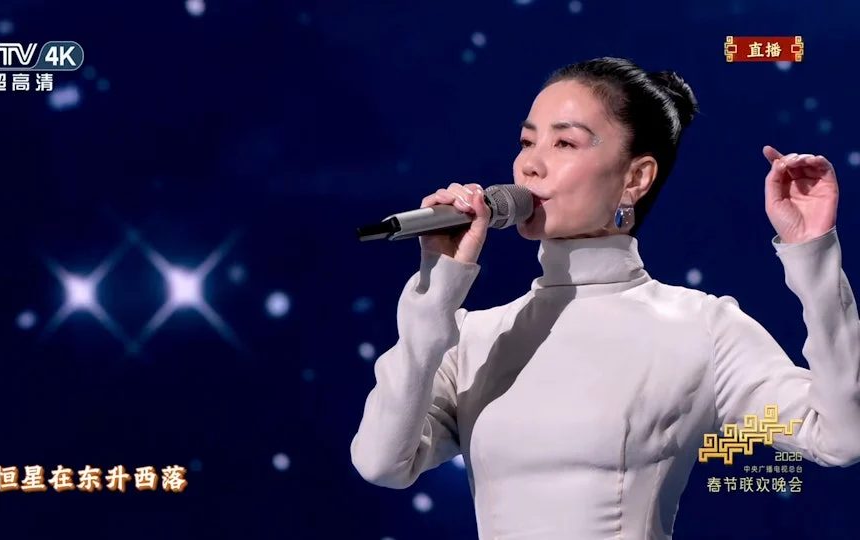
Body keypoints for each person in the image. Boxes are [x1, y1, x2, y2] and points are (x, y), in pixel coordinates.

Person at [349, 57, 860, 539]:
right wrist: (437, 289)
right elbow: (382, 462)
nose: (530, 165)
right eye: (527, 141)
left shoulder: (700, 328)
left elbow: (842, 437)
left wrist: (812, 255)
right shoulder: (474, 337)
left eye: (564, 143)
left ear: (635, 178)